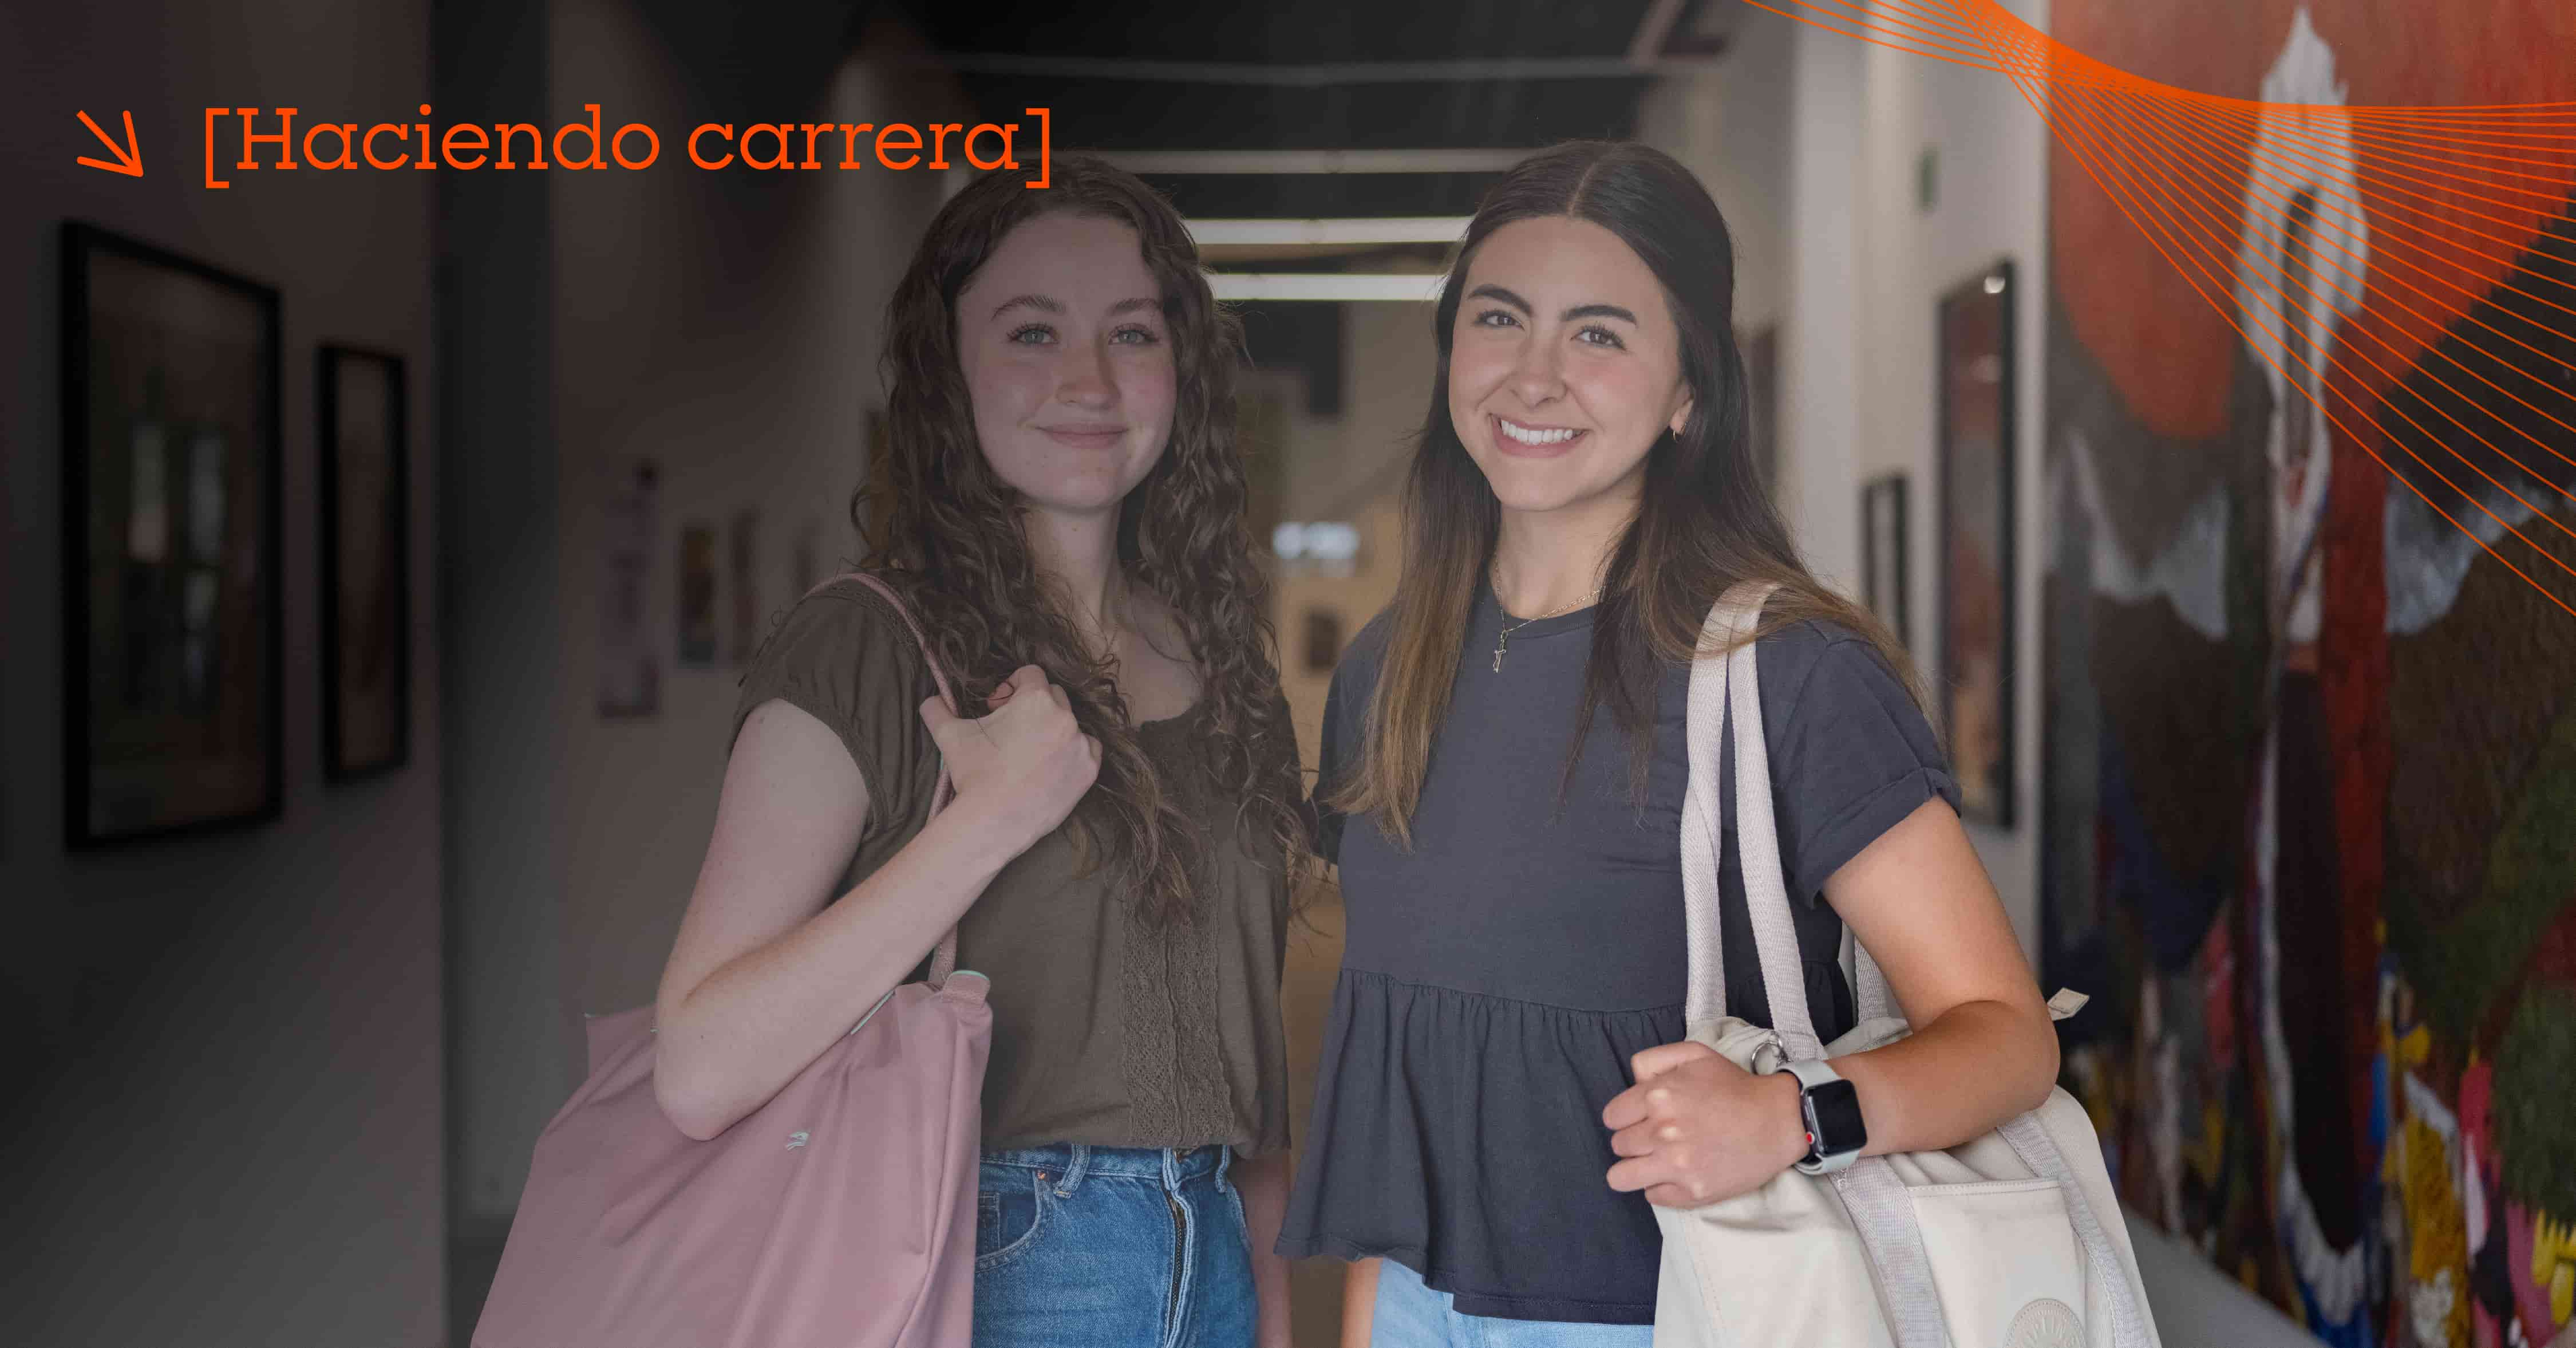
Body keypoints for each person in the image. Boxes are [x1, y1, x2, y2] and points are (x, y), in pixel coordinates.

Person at [1275, 141, 2063, 1345]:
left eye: (1599, 335)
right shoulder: (1389, 668)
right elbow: (1413, 1051)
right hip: (1424, 1309)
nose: (1534, 377)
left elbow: (2008, 1037)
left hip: (1692, 1307)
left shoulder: (1786, 671)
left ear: (1689, 391)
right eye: (1501, 318)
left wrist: (1796, 1115)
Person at [651, 157, 1310, 1348]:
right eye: (1031, 331)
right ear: (948, 369)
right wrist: (988, 821)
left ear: (1182, 370)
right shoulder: (864, 644)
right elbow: (699, 1063)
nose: (1088, 380)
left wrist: (1270, 1307)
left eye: (1131, 332)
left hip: (1208, 1248)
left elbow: (1247, 1065)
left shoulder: (1218, 653)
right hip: (985, 1259)